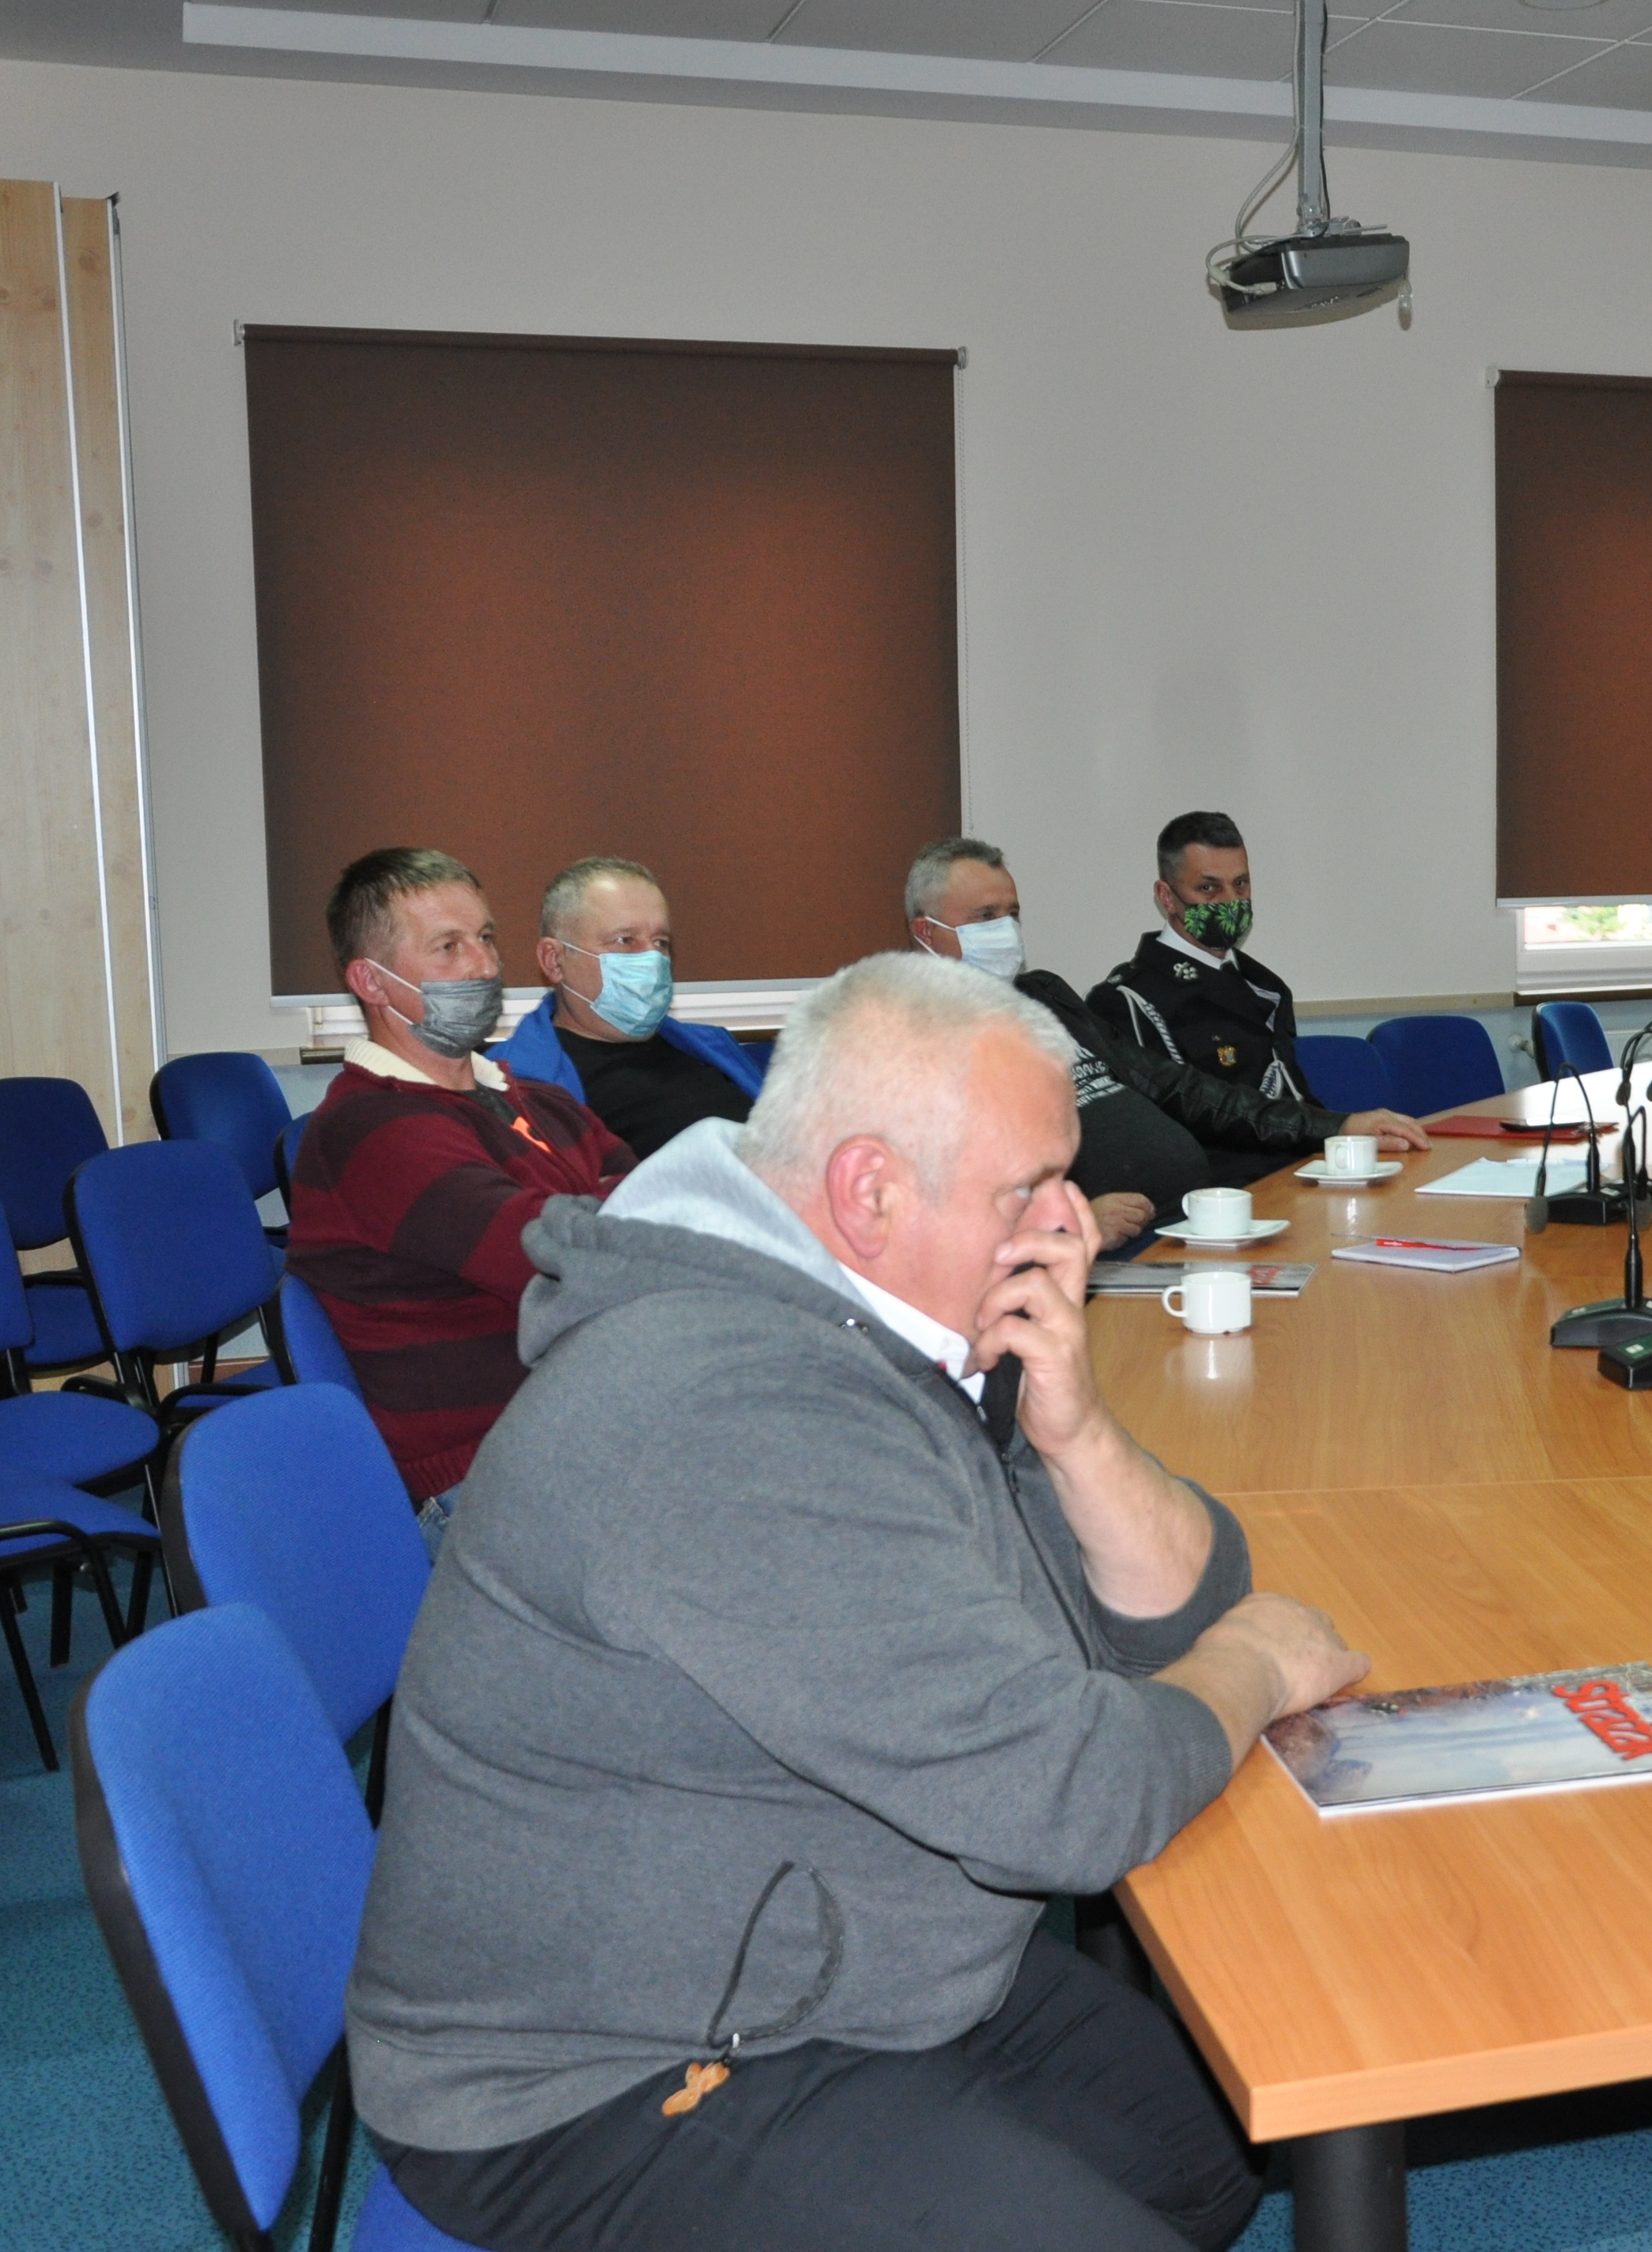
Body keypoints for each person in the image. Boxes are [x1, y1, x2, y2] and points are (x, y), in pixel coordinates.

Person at [348, 952, 1370, 2252]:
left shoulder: (865, 1323)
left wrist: (1076, 1434)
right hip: (599, 2072)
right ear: (870, 1190)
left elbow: (1168, 1615)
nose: (1067, 1223)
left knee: (1211, 2148)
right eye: (1027, 1187)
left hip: (839, 1955)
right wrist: (1261, 1666)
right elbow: (1072, 1796)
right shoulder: (727, 1413)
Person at [287, 847, 629, 1535]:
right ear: (372, 981)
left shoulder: (540, 1100)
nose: (484, 965)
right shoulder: (371, 1129)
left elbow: (654, 1210)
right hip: (491, 1470)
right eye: (448, 947)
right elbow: (563, 1258)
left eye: (486, 938)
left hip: (591, 1418)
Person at [903, 837, 1423, 1233]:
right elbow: (940, 1194)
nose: (1006, 929)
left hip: (1194, 1220)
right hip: (1101, 1252)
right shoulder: (917, 1040)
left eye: (1012, 913)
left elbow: (1179, 1087)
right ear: (927, 932)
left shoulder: (1043, 995)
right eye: (985, 917)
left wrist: (1339, 1125)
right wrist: (1068, 1221)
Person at [488, 855, 767, 1158]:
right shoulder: (517, 1083)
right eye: (625, 940)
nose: (652, 960)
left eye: (661, 942)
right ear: (554, 960)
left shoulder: (709, 1047)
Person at [1089, 813, 1317, 1138]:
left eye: (1240, 884)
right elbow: (1163, 1129)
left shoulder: (1265, 986)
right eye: (1209, 888)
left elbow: (1294, 1099)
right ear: (1167, 897)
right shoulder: (1127, 1002)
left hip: (1294, 1157)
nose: (1231, 901)